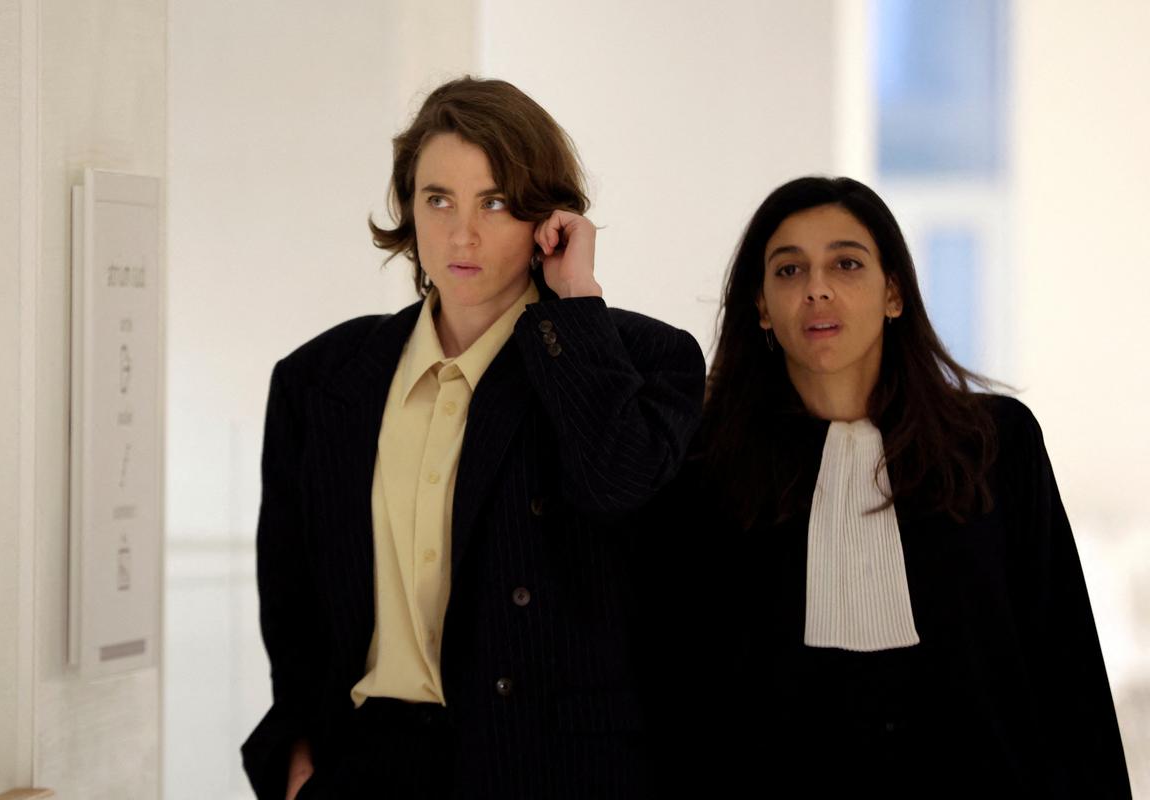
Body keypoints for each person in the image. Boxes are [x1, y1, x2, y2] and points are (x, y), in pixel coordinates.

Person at [240, 76, 705, 799]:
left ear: (547, 214)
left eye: (494, 202)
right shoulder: (319, 379)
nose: (462, 235)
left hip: (549, 771)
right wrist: (299, 753)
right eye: (438, 200)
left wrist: (575, 302)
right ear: (408, 208)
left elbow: (616, 483)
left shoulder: (644, 360)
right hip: (365, 765)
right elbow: (291, 594)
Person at [641, 176, 1130, 797]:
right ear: (761, 306)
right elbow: (672, 694)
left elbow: (1067, 671)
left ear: (893, 292)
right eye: (788, 271)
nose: (817, 288)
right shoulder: (702, 465)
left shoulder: (994, 443)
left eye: (846, 264)